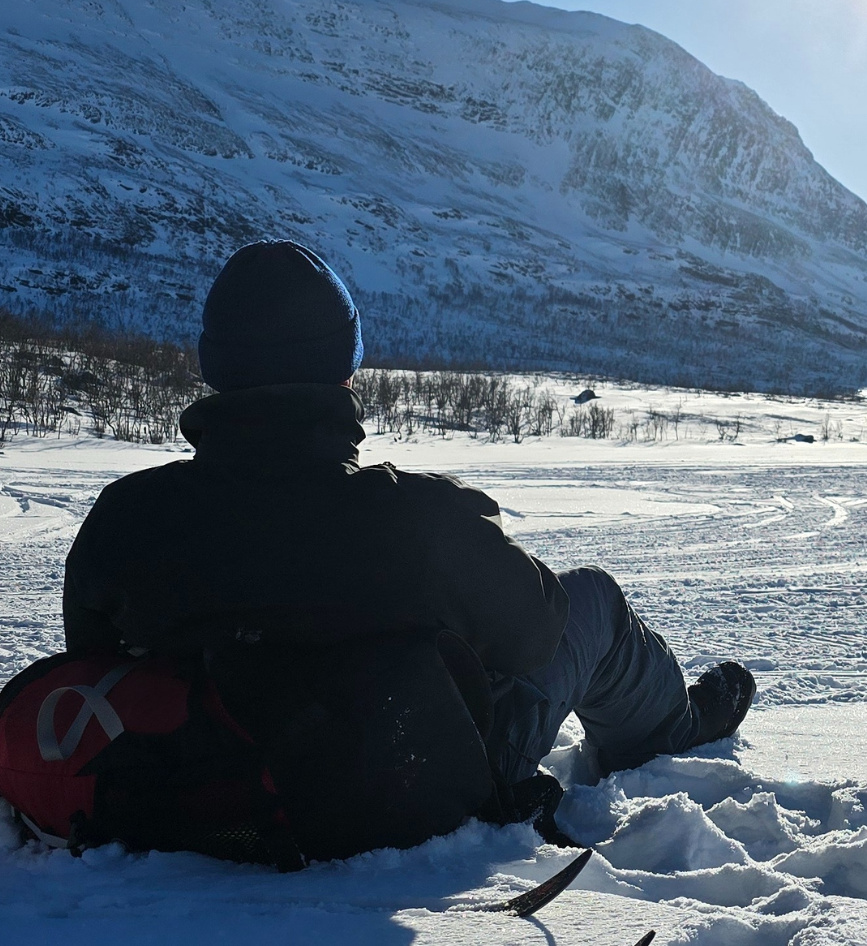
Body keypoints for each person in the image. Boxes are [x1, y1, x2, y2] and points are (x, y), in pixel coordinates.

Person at [60, 240, 753, 850]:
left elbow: (91, 668)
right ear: (344, 369)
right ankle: (675, 738)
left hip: (215, 789)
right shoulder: (417, 515)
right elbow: (538, 632)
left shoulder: (127, 514)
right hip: (413, 782)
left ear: (215, 367)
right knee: (592, 599)